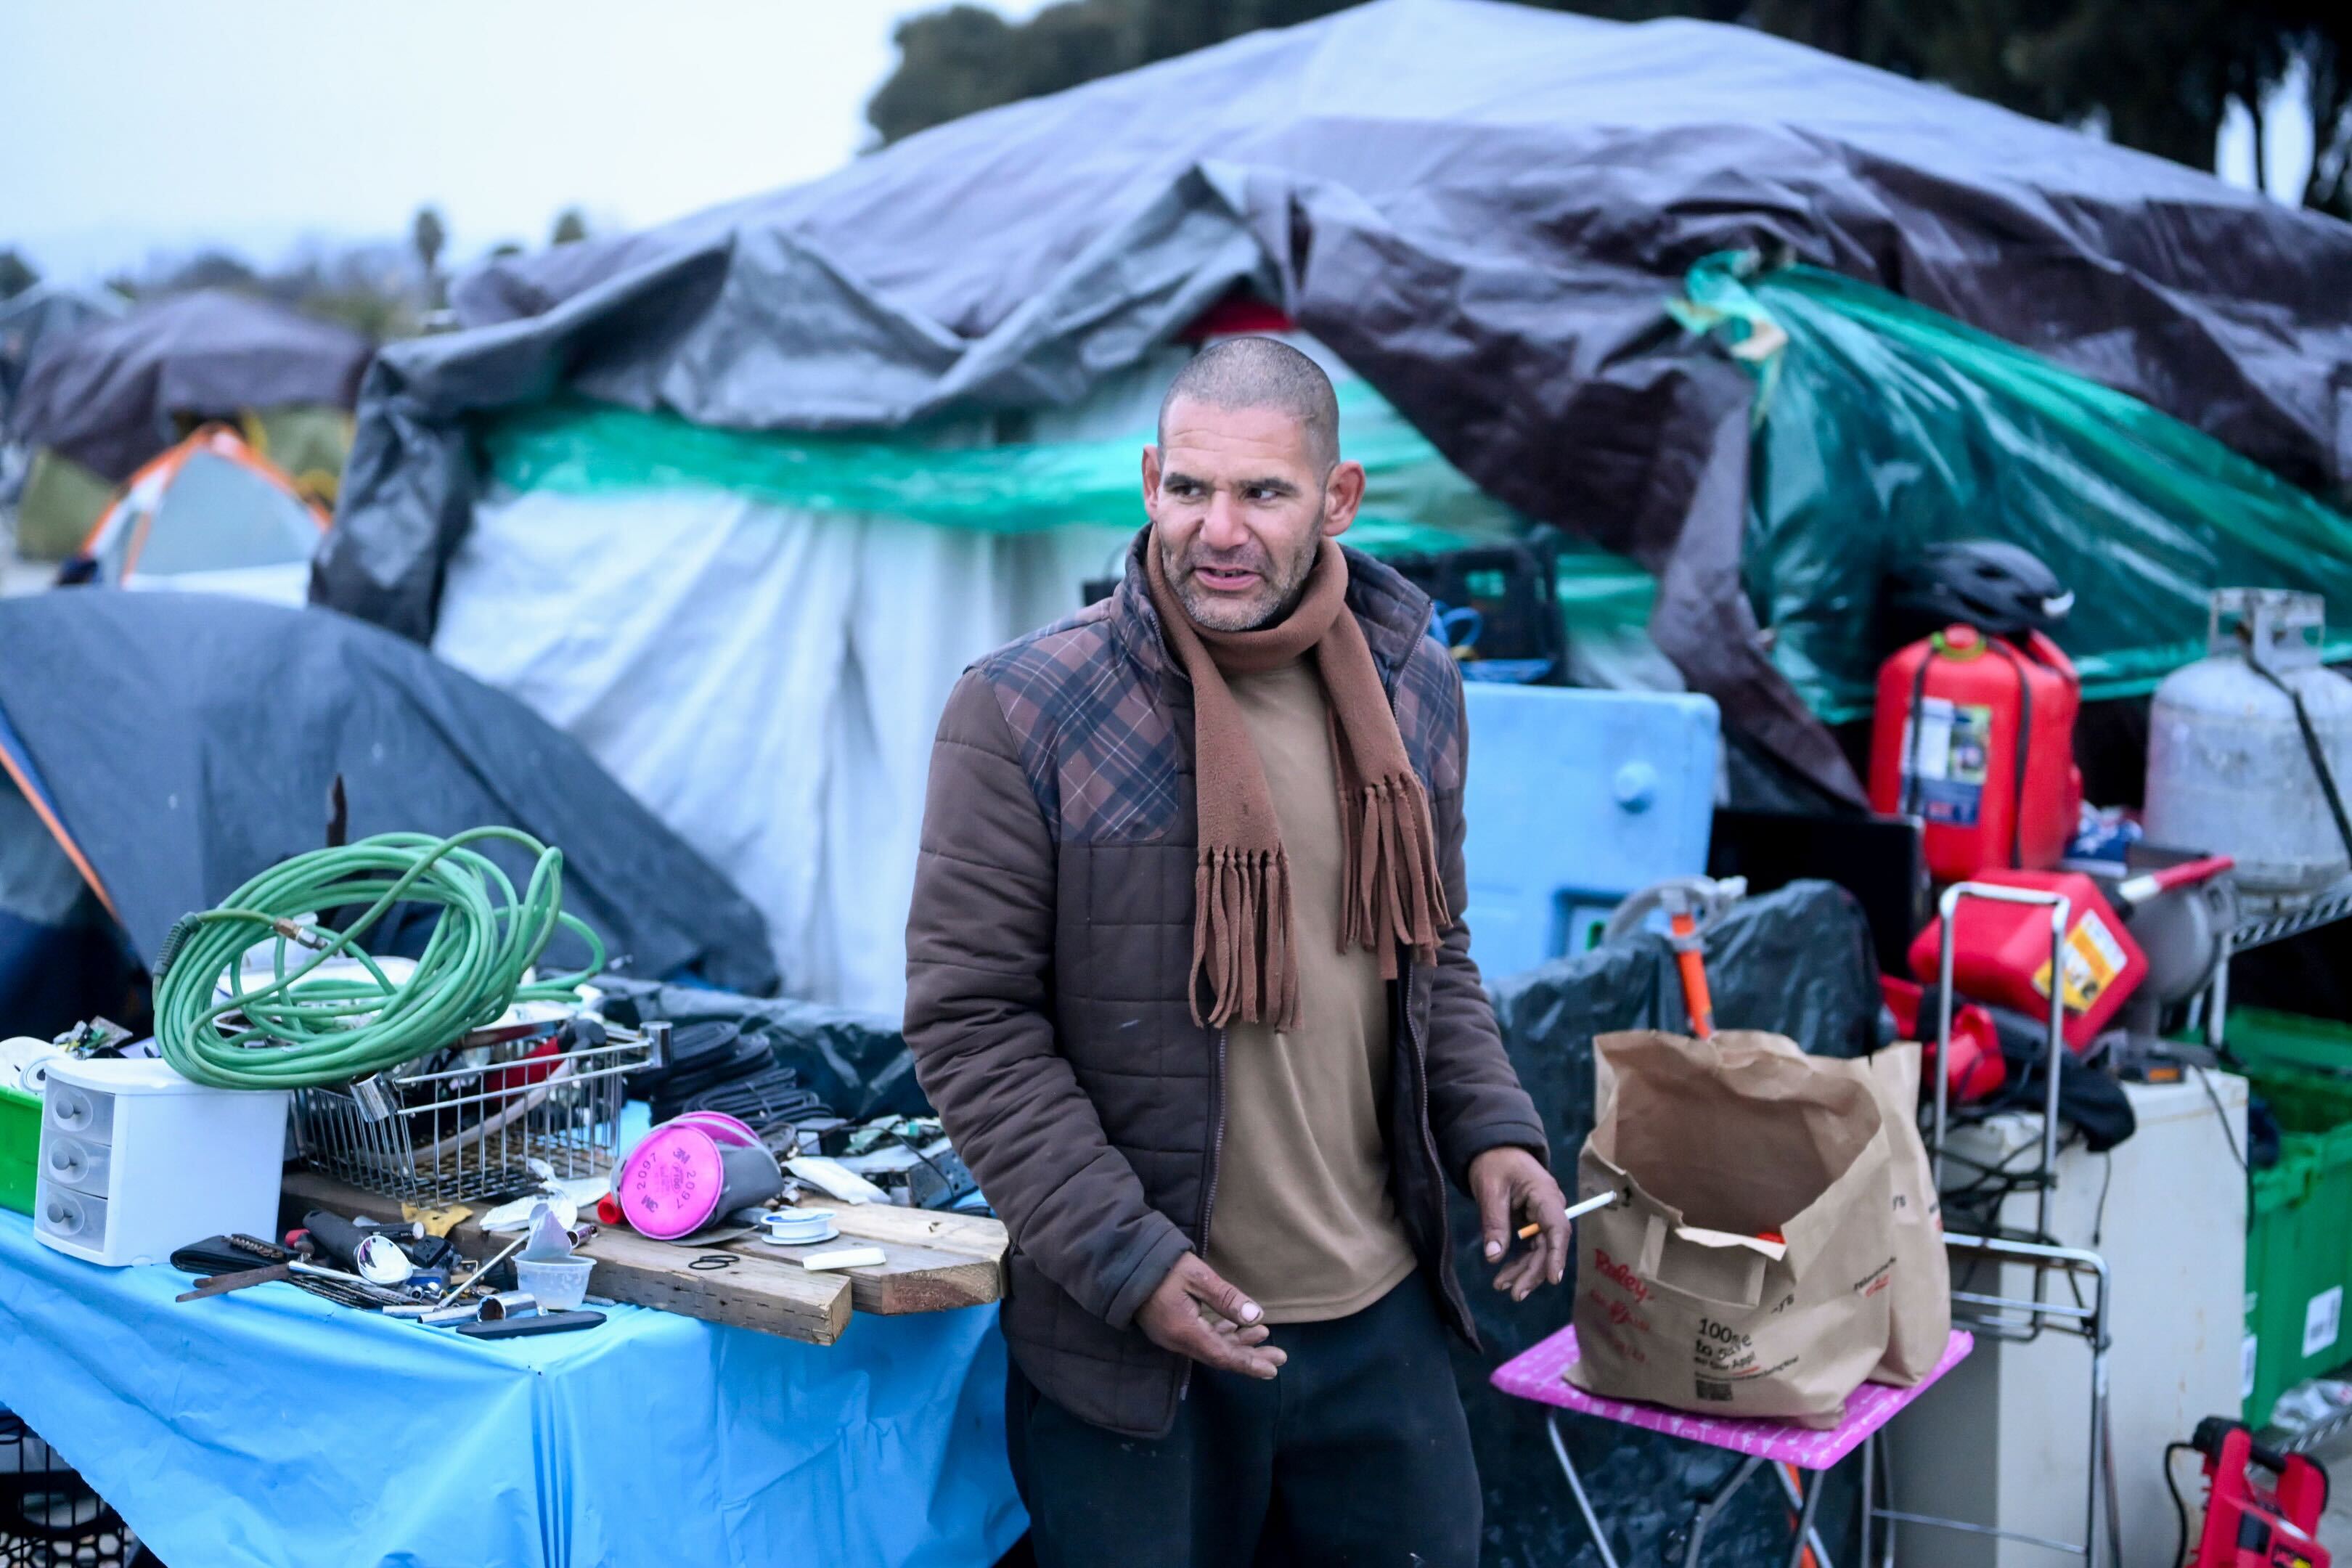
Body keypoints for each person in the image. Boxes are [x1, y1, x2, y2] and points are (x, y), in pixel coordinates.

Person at [904, 336, 1569, 1567]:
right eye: (1189, 489)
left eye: (1263, 493)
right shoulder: (1023, 709)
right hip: (1142, 1345)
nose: (1219, 529)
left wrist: (1494, 1129)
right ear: (1150, 479)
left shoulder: (1413, 681)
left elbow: (1436, 949)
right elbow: (971, 1020)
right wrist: (1128, 1259)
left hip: (1381, 1325)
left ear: (1339, 498)